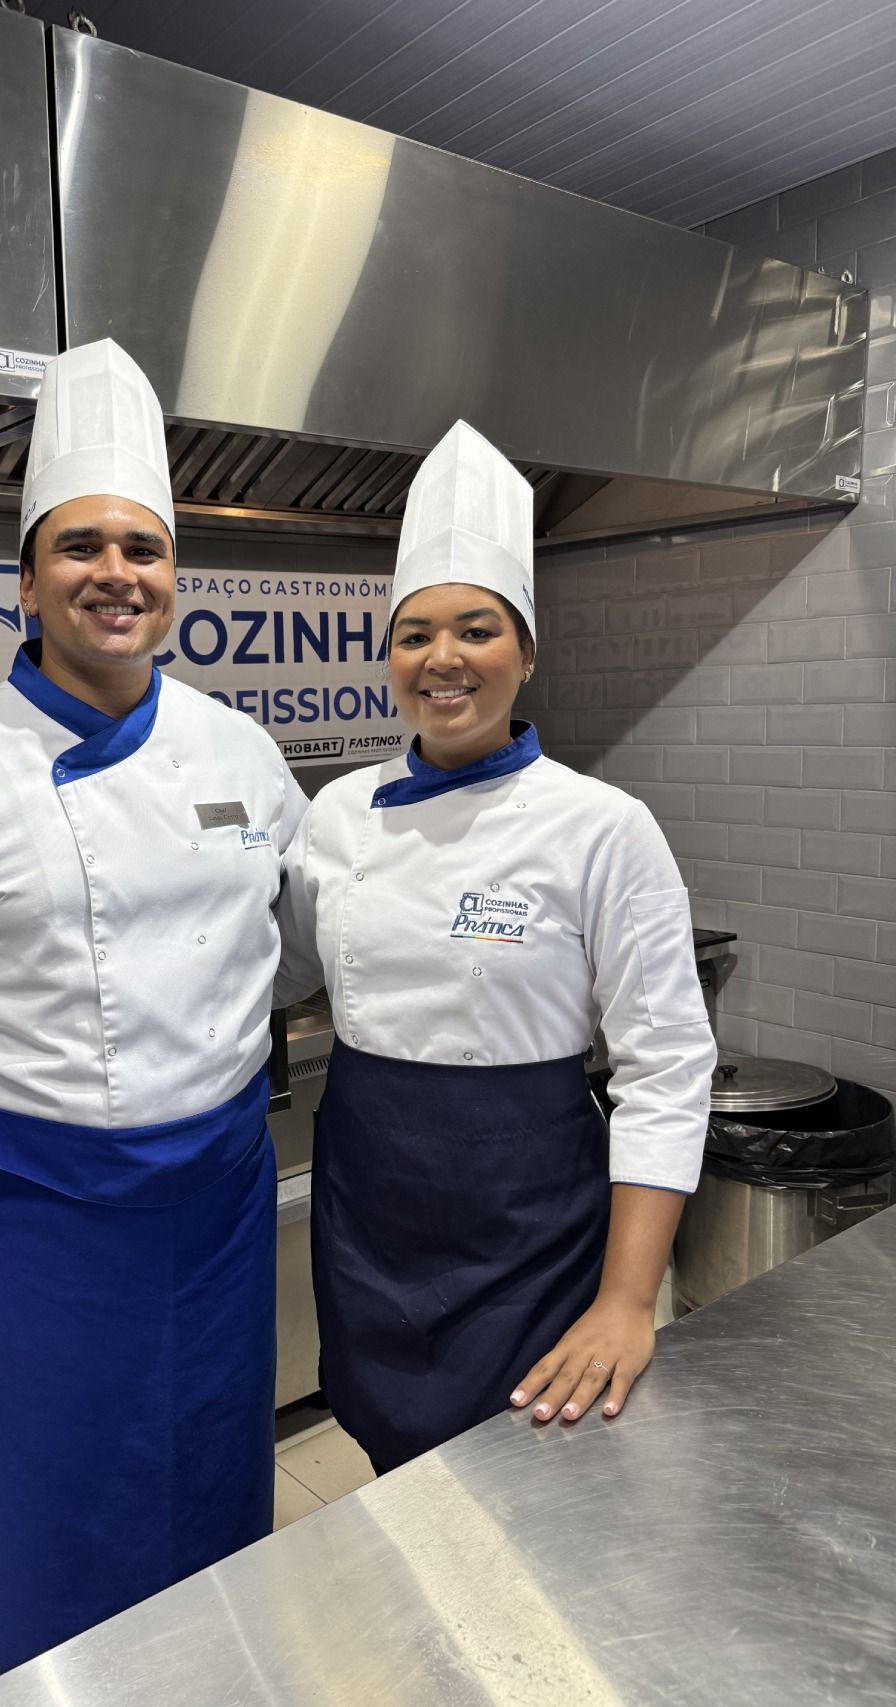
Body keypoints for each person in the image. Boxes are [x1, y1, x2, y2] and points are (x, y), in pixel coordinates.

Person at [0, 340, 307, 1663]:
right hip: (33, 1208)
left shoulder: (240, 751)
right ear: (26, 580)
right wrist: (22, 1093)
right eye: (82, 545)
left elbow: (296, 936)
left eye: (143, 548)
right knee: (62, 1499)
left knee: (215, 1468)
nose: (117, 572)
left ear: (172, 579)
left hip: (215, 1193)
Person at [275, 420, 716, 1475]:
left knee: (540, 1465)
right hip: (368, 1193)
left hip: (528, 1212)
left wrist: (624, 1299)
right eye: (414, 633)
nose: (442, 659)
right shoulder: (336, 814)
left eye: (475, 630)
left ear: (523, 649)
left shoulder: (600, 825)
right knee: (389, 1446)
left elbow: (667, 1064)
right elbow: (284, 975)